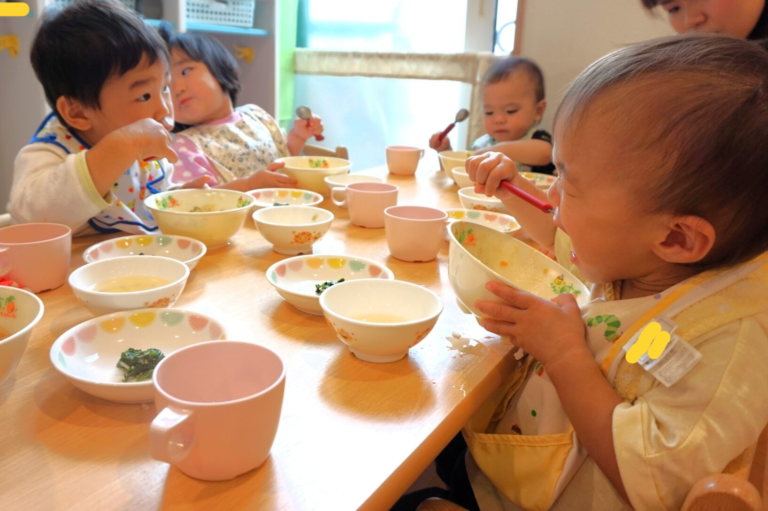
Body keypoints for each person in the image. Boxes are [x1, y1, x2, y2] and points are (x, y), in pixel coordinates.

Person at [399, 34, 768, 511]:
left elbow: (651, 478)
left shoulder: (726, 341)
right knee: (439, 438)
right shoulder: (647, 252)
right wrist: (510, 190)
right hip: (521, 456)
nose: (552, 193)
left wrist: (564, 353)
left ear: (678, 238)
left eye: (568, 182)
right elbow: (566, 239)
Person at [429, 57, 555, 175]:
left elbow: (545, 154)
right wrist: (445, 151)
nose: (498, 120)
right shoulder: (480, 145)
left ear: (538, 111)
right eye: (489, 112)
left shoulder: (539, 140)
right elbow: (459, 174)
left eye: (510, 111)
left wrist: (495, 151)